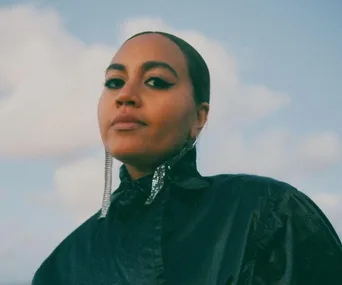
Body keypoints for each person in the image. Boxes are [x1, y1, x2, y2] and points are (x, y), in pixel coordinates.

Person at [32, 31, 342, 285]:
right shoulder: (61, 267)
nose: (124, 95)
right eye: (114, 82)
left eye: (156, 81)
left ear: (199, 116)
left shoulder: (268, 212)